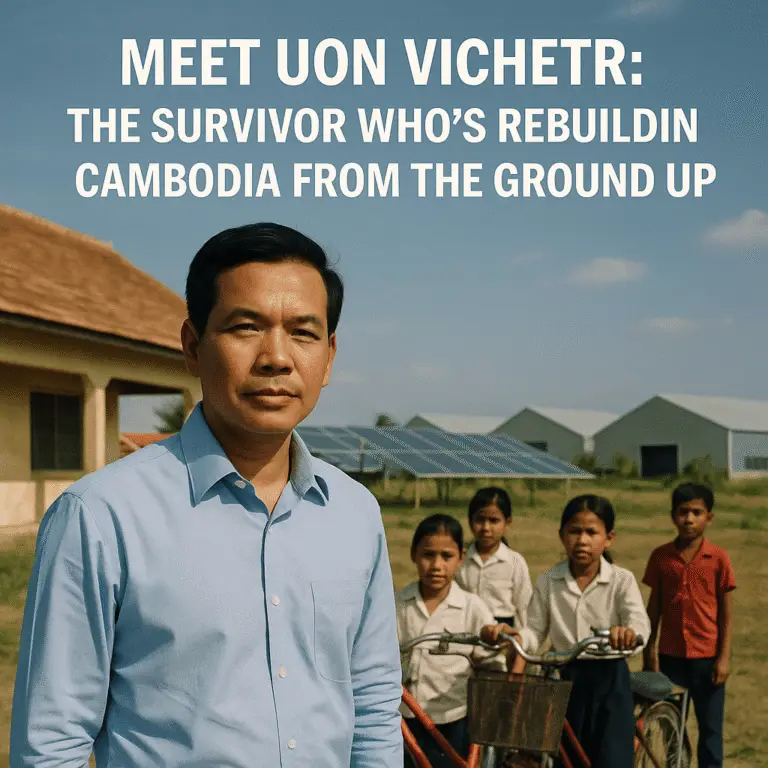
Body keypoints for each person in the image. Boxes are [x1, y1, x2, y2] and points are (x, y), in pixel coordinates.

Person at [11, 223, 403, 767]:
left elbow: (373, 706)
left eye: (303, 332)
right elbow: (52, 741)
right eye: (246, 327)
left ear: (329, 356)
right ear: (193, 347)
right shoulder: (101, 517)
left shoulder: (354, 514)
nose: (277, 357)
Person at [508, 495, 651, 768]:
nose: (582, 540)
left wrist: (628, 635)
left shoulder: (621, 580)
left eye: (591, 532)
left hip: (609, 677)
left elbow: (638, 622)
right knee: (568, 758)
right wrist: (519, 639)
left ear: (608, 539)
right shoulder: (549, 581)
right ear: (562, 535)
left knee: (612, 757)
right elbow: (535, 630)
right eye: (574, 531)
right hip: (565, 678)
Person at [397, 513, 512, 768]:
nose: (437, 565)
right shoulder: (399, 604)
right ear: (413, 554)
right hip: (407, 717)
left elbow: (492, 662)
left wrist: (496, 641)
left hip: (454, 717)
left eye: (446, 556)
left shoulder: (472, 607)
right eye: (428, 555)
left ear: (461, 558)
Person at [642, 483, 736, 768]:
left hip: (708, 659)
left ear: (709, 518)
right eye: (683, 512)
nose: (689, 519)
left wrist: (724, 658)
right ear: (673, 516)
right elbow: (653, 609)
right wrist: (649, 652)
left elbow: (726, 615)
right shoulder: (661, 557)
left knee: (710, 730)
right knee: (671, 727)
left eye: (697, 512)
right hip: (671, 659)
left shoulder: (718, 558)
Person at [454, 487, 533, 628]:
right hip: (467, 628)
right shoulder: (460, 561)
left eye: (494, 521)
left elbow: (524, 607)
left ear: (507, 522)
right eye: (480, 520)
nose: (486, 527)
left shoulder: (515, 562)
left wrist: (522, 638)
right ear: (470, 521)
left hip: (503, 631)